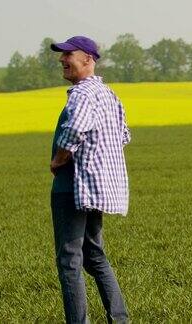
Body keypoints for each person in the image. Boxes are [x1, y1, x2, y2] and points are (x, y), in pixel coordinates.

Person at [49, 35, 131, 324]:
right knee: (94, 255)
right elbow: (123, 136)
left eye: (68, 54)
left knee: (69, 262)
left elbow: (74, 131)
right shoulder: (109, 95)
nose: (62, 59)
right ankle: (119, 319)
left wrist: (58, 159)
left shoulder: (83, 94)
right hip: (96, 189)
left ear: (88, 59)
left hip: (73, 186)